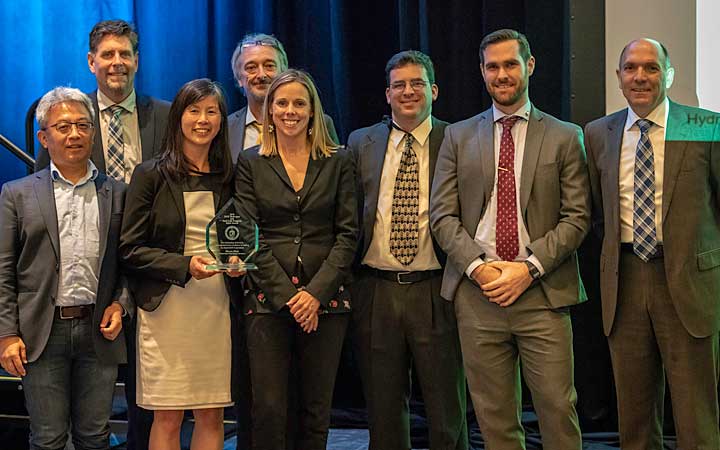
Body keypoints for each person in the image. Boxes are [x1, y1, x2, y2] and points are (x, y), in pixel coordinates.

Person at [429, 29, 590, 450]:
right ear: (482, 72)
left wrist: (527, 269)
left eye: (511, 64)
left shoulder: (565, 136)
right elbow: (442, 216)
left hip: (543, 293)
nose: (502, 74)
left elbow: (577, 218)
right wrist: (480, 269)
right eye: (493, 66)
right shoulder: (458, 136)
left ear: (530, 66)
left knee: (557, 409)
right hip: (477, 294)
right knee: (493, 416)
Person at [34, 20, 170, 450]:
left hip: (149, 273)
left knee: (148, 396)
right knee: (80, 416)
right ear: (91, 62)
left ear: (137, 60)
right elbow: (44, 195)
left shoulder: (166, 117)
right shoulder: (66, 118)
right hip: (86, 277)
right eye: (107, 55)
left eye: (125, 54)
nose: (117, 63)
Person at [585, 38, 720, 450]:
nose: (640, 77)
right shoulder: (598, 133)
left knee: (696, 414)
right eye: (630, 68)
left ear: (670, 74)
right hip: (625, 282)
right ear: (619, 76)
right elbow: (596, 214)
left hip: (689, 282)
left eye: (651, 68)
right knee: (635, 416)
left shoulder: (703, 125)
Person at [347, 50, 467, 450]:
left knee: (446, 408)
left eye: (417, 83)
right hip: (375, 289)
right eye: (399, 85)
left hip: (438, 288)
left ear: (433, 89)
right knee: (382, 410)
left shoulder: (458, 138)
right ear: (387, 94)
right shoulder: (361, 142)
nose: (408, 91)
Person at [0, 87, 130, 450]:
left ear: (93, 132)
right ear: (43, 137)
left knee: (95, 436)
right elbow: (3, 269)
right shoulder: (17, 193)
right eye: (63, 127)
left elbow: (129, 262)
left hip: (98, 331)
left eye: (82, 125)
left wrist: (121, 304)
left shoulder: (118, 192)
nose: (74, 134)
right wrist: (6, 334)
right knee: (48, 438)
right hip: (41, 331)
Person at [234, 69, 357, 450]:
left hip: (326, 301)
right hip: (267, 300)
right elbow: (248, 235)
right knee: (269, 408)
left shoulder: (339, 160)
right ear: (269, 111)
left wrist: (315, 294)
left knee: (316, 410)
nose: (290, 111)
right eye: (282, 103)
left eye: (299, 103)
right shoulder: (251, 162)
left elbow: (349, 234)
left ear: (313, 111)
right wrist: (289, 296)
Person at [119, 78, 241, 450]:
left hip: (216, 306)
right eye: (193, 110)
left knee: (211, 411)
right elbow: (130, 248)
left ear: (221, 120)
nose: (203, 120)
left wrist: (237, 260)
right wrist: (185, 265)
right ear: (178, 117)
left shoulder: (229, 176)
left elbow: (237, 235)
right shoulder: (150, 174)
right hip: (166, 307)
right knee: (167, 414)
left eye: (211, 111)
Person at [228, 33, 338, 162]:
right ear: (238, 78)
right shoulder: (227, 128)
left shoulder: (319, 124)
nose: (261, 74)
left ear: (284, 72)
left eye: (269, 66)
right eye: (251, 68)